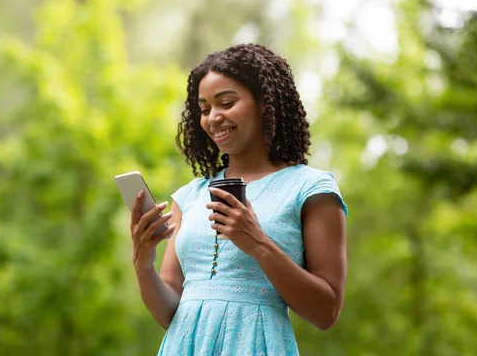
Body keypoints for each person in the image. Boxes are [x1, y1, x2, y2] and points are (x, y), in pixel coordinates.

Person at [129, 43, 348, 355]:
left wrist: (257, 243)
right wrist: (142, 263)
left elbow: (326, 312)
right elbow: (169, 313)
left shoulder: (311, 189)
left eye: (226, 103)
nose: (213, 118)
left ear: (264, 102)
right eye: (204, 109)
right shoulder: (189, 196)